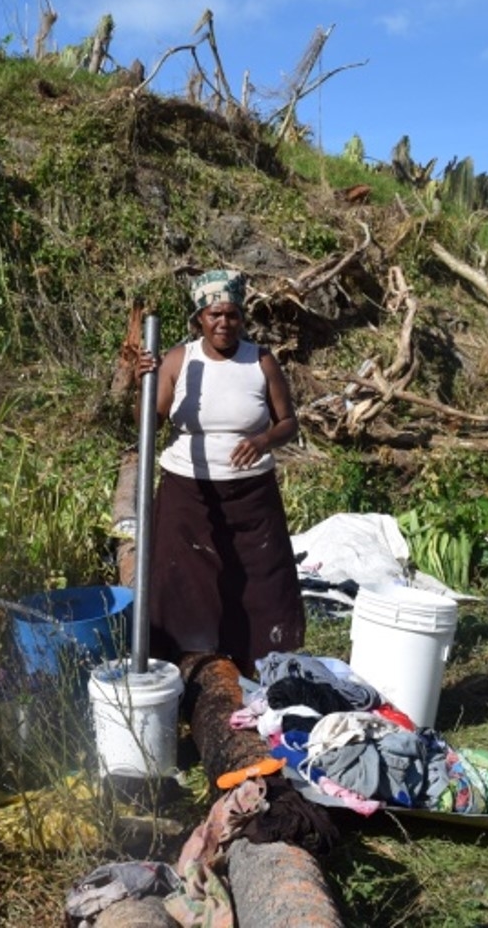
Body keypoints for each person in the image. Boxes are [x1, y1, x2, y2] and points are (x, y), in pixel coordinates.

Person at [136, 269, 306, 674]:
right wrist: (143, 382)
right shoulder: (180, 360)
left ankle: (256, 666)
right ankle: (187, 667)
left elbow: (288, 423)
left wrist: (262, 441)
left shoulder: (260, 361)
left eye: (232, 315)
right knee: (182, 582)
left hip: (251, 497)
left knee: (261, 582)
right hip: (187, 494)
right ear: (200, 318)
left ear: (242, 318)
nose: (224, 323)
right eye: (215, 315)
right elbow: (150, 423)